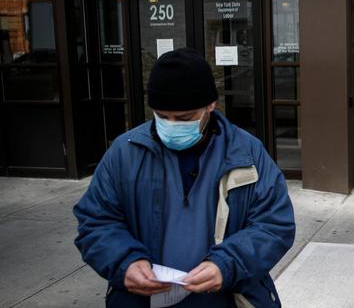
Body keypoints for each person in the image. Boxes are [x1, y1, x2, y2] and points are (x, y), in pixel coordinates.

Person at [74, 48, 295, 308]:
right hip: (140, 301)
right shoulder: (124, 152)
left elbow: (274, 225)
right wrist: (125, 262)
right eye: (162, 116)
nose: (171, 126)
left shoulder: (247, 152)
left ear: (211, 105)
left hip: (226, 300)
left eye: (185, 118)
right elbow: (96, 221)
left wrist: (226, 265)